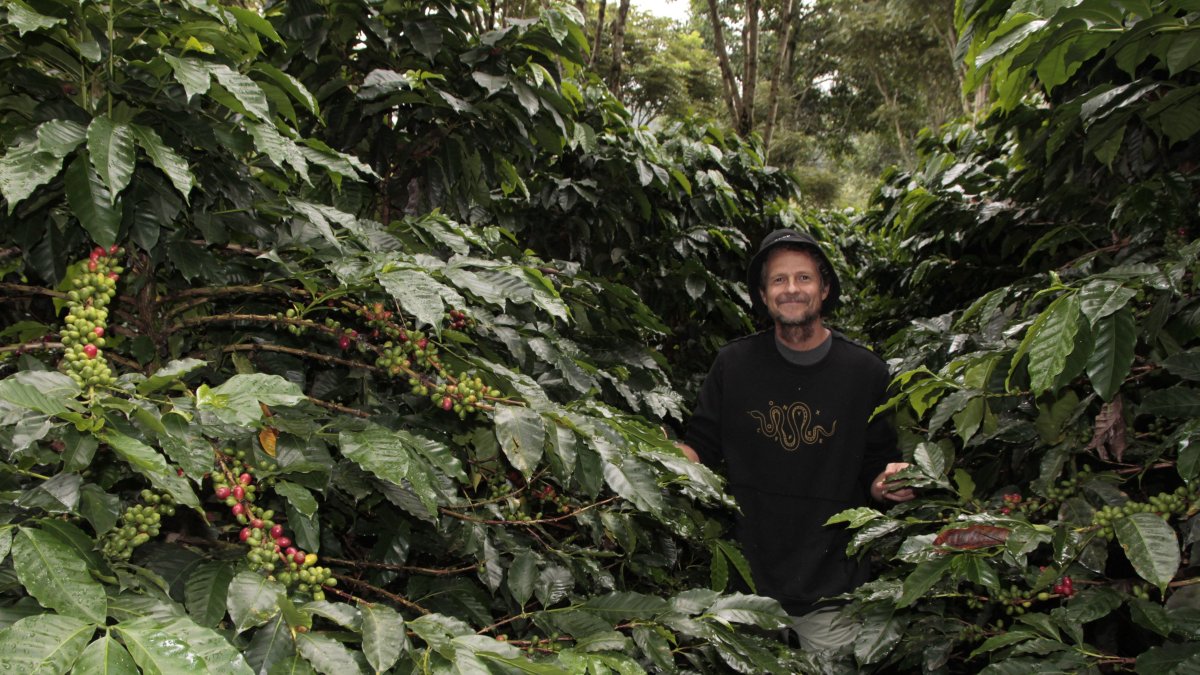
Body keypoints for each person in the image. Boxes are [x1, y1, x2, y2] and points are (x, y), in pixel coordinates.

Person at [679, 228, 915, 653]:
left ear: (824, 289)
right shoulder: (733, 365)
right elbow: (701, 444)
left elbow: (877, 464)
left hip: (833, 582)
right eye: (779, 280)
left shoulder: (865, 373)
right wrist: (657, 460)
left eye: (803, 278)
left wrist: (890, 481)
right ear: (764, 295)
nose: (791, 289)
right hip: (749, 580)